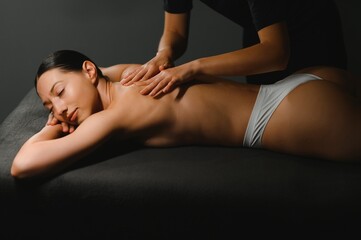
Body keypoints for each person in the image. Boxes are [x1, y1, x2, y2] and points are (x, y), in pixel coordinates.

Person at [11, 50, 360, 179]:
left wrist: (48, 130)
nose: (59, 110)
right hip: (305, 86)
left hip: (286, 113)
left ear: (89, 72)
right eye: (49, 108)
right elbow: (97, 69)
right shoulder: (128, 74)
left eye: (59, 94)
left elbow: (22, 166)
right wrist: (59, 109)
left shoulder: (114, 116)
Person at [120, 0, 348, 96]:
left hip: (311, 33)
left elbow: (277, 53)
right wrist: (164, 53)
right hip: (260, 35)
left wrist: (193, 68)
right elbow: (176, 32)